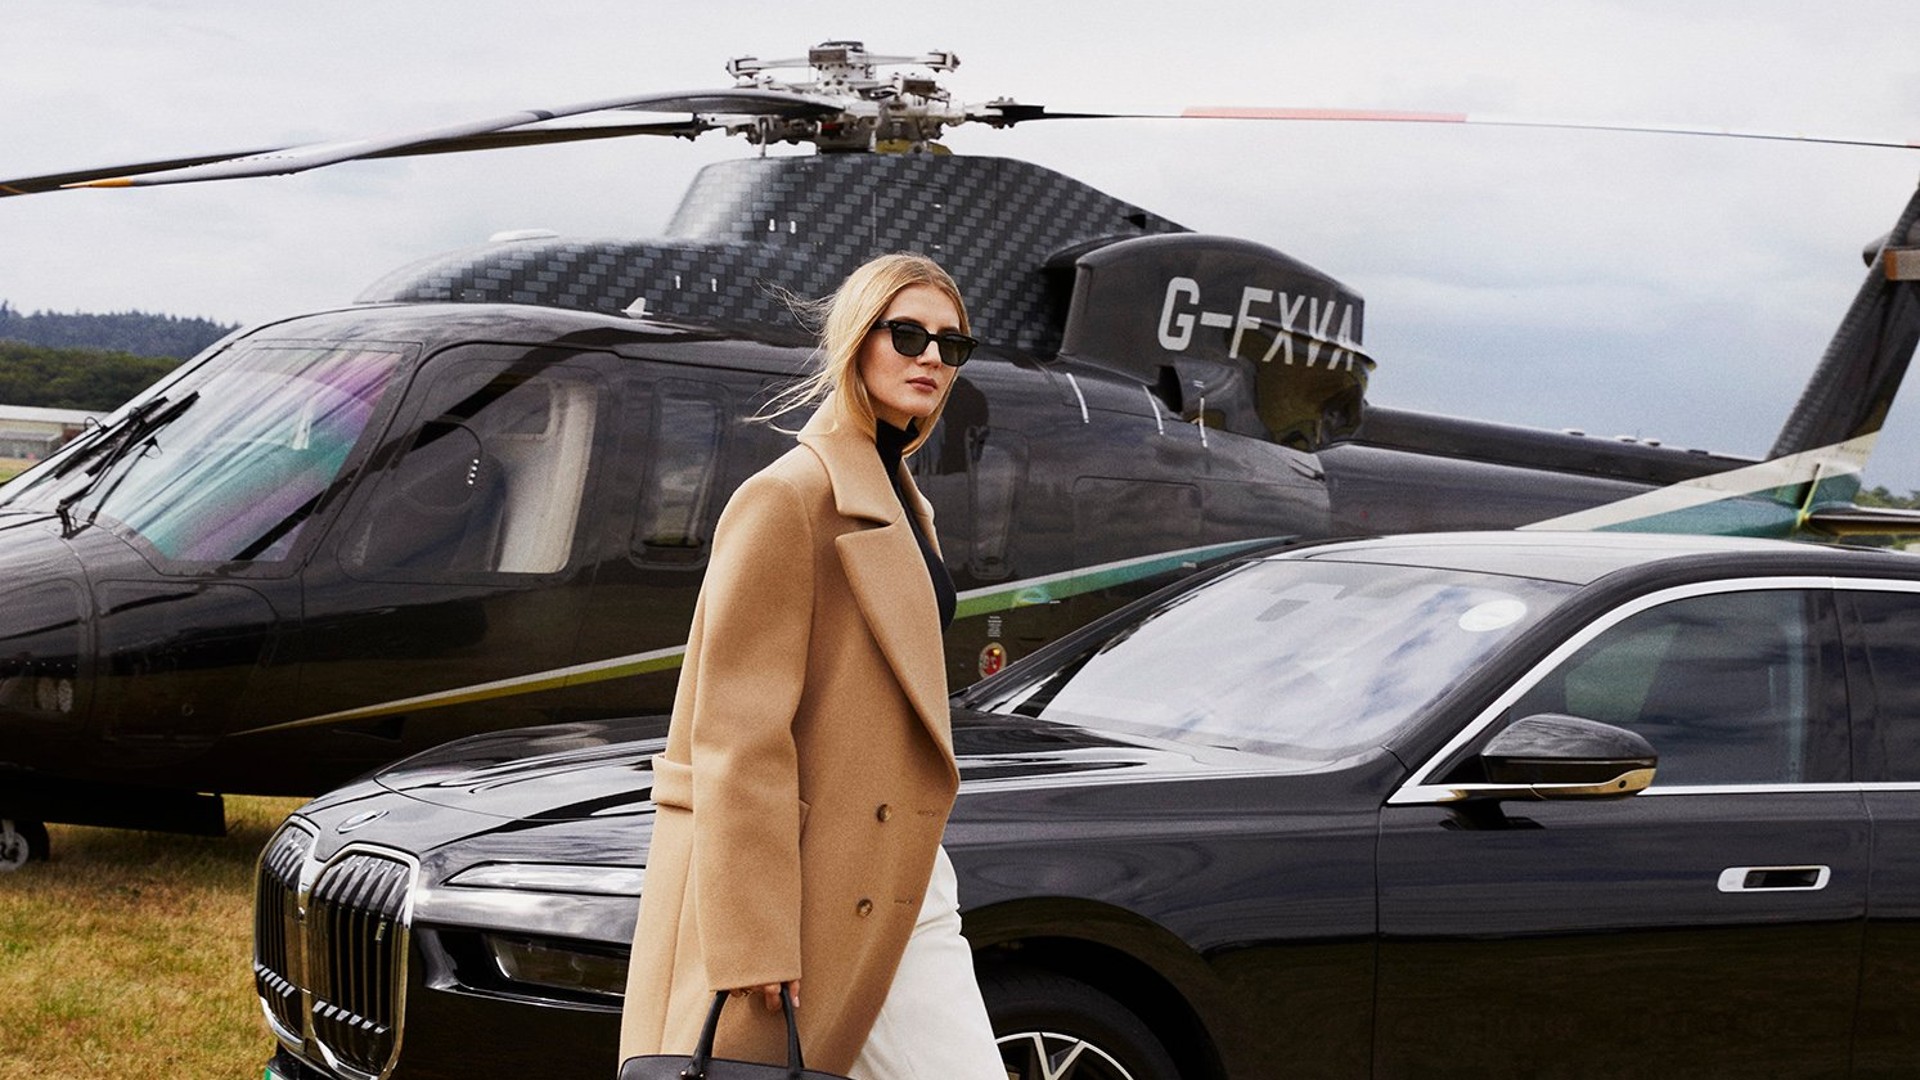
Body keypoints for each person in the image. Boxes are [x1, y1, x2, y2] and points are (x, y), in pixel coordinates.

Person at [617, 253, 1006, 1079]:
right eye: (908, 336)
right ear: (857, 344)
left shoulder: (904, 499)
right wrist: (753, 934)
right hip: (815, 890)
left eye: (952, 344)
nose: (932, 358)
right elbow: (737, 732)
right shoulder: (791, 497)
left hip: (901, 877)